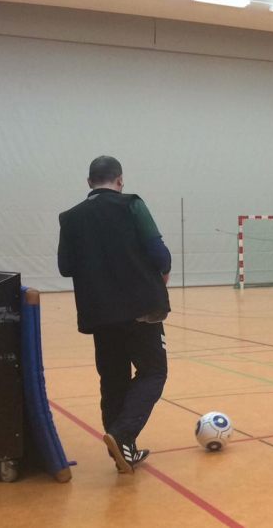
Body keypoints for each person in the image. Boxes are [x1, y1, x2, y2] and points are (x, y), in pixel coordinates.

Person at [58, 156, 171, 474]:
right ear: (120, 180)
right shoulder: (132, 204)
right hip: (140, 308)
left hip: (99, 312)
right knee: (153, 372)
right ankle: (122, 434)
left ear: (89, 182)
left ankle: (123, 451)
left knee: (112, 379)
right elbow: (159, 254)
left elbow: (65, 267)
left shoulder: (70, 217)